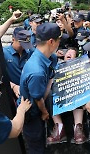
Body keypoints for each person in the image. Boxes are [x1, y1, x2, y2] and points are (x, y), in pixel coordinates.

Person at [18, 23, 61, 154]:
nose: (60, 42)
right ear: (51, 41)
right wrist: (45, 112)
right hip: (32, 114)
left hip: (35, 107)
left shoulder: (42, 57)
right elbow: (38, 99)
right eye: (59, 39)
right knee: (36, 147)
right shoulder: (36, 70)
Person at [47, 48, 87, 145]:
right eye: (67, 53)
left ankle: (78, 128)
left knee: (78, 91)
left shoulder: (81, 66)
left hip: (74, 94)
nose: (69, 54)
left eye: (72, 53)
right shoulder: (56, 66)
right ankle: (59, 128)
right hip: (58, 95)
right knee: (49, 94)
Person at [3, 27, 33, 98]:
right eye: (21, 43)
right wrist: (13, 86)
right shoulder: (4, 53)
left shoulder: (30, 52)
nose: (24, 47)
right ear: (13, 39)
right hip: (12, 93)